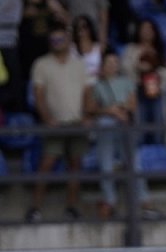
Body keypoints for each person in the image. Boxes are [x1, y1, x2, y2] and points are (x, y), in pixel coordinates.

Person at [27, 22, 88, 223]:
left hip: (76, 123)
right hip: (55, 124)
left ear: (68, 40)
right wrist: (46, 118)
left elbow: (87, 92)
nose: (57, 42)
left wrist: (86, 116)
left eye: (60, 38)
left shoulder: (79, 64)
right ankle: (35, 208)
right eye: (53, 39)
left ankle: (71, 207)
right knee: (46, 164)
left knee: (75, 166)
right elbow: (38, 95)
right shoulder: (41, 64)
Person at [85, 49, 149, 219]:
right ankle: (109, 201)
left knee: (135, 163)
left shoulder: (126, 82)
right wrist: (109, 111)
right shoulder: (96, 85)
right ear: (102, 65)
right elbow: (91, 108)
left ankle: (144, 202)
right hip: (105, 127)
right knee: (106, 165)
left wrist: (119, 110)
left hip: (124, 126)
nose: (112, 66)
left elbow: (132, 104)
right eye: (109, 63)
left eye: (115, 62)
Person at [121, 17, 166, 143]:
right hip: (137, 91)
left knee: (158, 126)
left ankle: (158, 149)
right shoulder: (131, 49)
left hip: (156, 92)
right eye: (143, 29)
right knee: (139, 126)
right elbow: (124, 69)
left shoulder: (159, 50)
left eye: (149, 29)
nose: (146, 32)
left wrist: (155, 72)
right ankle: (140, 151)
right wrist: (137, 65)